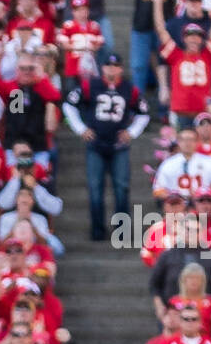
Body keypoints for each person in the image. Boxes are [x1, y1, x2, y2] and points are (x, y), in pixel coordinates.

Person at [62, 53, 150, 241]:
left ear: (121, 68)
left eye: (116, 65)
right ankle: (97, 230)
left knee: (121, 187)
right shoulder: (90, 85)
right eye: (108, 65)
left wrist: (131, 132)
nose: (112, 69)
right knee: (95, 188)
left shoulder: (130, 89)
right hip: (95, 143)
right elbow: (69, 105)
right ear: (102, 68)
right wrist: (81, 129)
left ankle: (122, 232)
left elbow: (144, 113)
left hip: (119, 145)